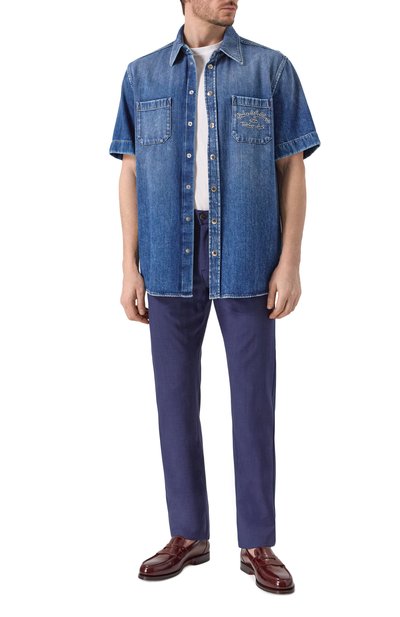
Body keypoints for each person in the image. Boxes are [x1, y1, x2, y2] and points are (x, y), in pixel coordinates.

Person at [109, 0, 320, 594]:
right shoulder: (141, 74)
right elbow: (129, 170)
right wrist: (128, 266)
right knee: (173, 401)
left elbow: (292, 167)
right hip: (166, 252)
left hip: (249, 252)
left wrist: (290, 261)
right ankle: (188, 533)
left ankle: (257, 540)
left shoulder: (271, 69)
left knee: (254, 401)